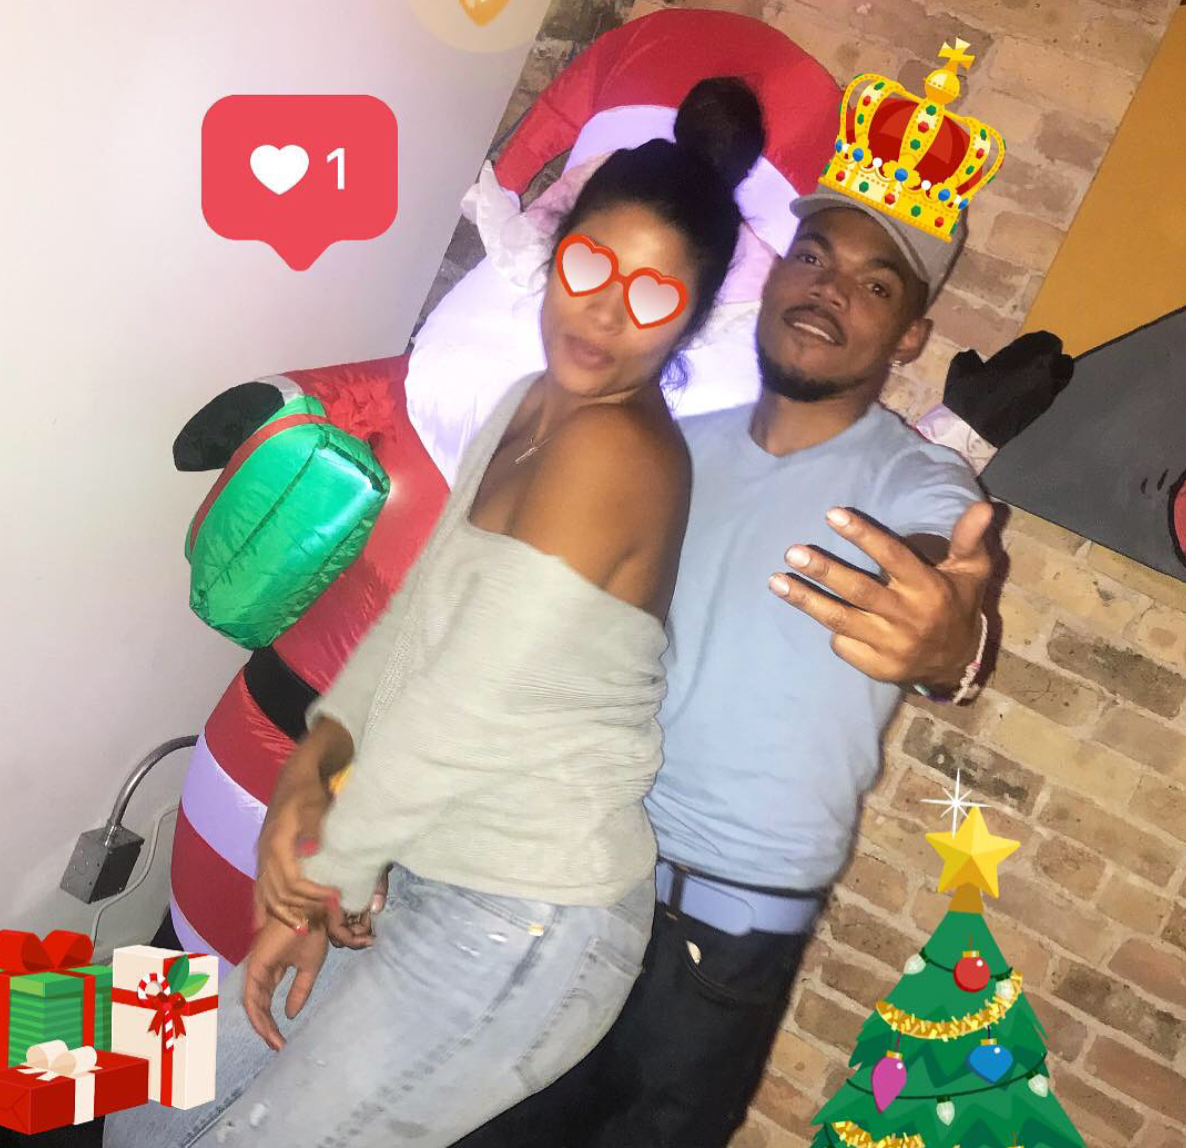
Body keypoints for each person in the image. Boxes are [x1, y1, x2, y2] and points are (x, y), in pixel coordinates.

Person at [103, 77, 767, 1148]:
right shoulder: (529, 406)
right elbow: (417, 617)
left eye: (651, 295)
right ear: (555, 250)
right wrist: (317, 755)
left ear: (690, 315)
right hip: (416, 861)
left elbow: (467, 702)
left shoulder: (620, 453)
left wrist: (327, 871)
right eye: (589, 265)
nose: (603, 311)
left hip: (522, 919)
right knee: (148, 1105)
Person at [441, 186, 996, 1146]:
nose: (830, 290)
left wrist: (949, 644)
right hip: (568, 879)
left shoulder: (918, 479)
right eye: (814, 257)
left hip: (721, 944)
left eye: (875, 285)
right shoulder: (667, 449)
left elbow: (943, 581)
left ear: (910, 337)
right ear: (773, 276)